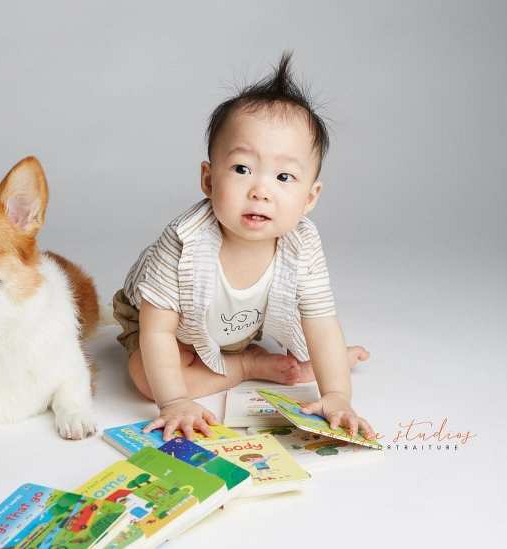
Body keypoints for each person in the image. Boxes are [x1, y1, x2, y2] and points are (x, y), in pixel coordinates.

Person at [113, 52, 374, 441]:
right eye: (241, 169)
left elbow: (320, 321)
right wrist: (175, 402)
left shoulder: (302, 244)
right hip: (166, 324)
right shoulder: (184, 241)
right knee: (148, 379)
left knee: (314, 350)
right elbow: (158, 331)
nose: (260, 191)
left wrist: (337, 395)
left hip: (236, 325)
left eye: (284, 177)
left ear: (309, 197)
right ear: (208, 179)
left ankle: (290, 365)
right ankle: (248, 366)